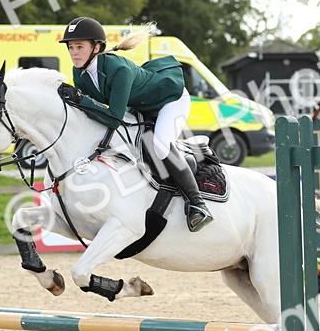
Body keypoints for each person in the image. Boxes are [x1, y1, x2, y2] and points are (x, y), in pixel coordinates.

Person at [60, 16, 213, 232]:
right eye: (71, 47)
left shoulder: (117, 69)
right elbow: (89, 112)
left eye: (79, 46)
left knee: (159, 145)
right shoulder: (80, 72)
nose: (74, 52)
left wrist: (80, 100)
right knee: (135, 143)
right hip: (141, 104)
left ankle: (198, 205)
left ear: (97, 47)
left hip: (170, 99)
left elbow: (113, 118)